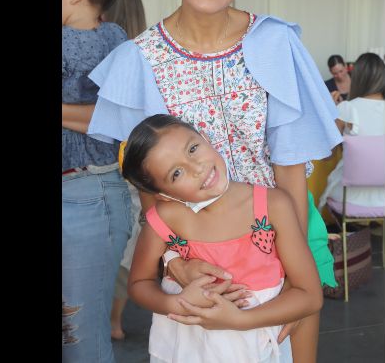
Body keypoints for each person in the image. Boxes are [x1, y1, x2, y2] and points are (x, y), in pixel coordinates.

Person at [86, 0, 341, 362]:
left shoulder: (276, 42)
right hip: (199, 258)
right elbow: (151, 187)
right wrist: (177, 262)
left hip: (285, 241)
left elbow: (289, 168)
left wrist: (292, 277)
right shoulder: (136, 61)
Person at [123, 114, 323, 362]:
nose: (197, 168)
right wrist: (176, 303)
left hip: (256, 347)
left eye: (193, 148)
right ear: (162, 194)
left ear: (206, 138)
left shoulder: (272, 205)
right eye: (176, 173)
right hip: (188, 349)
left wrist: (239, 320)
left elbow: (309, 295)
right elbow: (138, 283)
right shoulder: (163, 220)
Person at [61, 0, 133, 363]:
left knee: (79, 340)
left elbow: (116, 119)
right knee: (84, 337)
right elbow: (117, 120)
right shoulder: (118, 39)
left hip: (81, 192)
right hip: (101, 187)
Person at [100, 0, 149, 340]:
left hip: (105, 170)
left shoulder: (106, 55)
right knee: (125, 251)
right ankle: (114, 320)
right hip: (136, 172)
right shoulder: (147, 57)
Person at [318, 52, 385, 213]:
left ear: (357, 77)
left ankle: (354, 233)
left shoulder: (346, 108)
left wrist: (329, 111)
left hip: (348, 195)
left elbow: (327, 155)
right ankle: (374, 232)